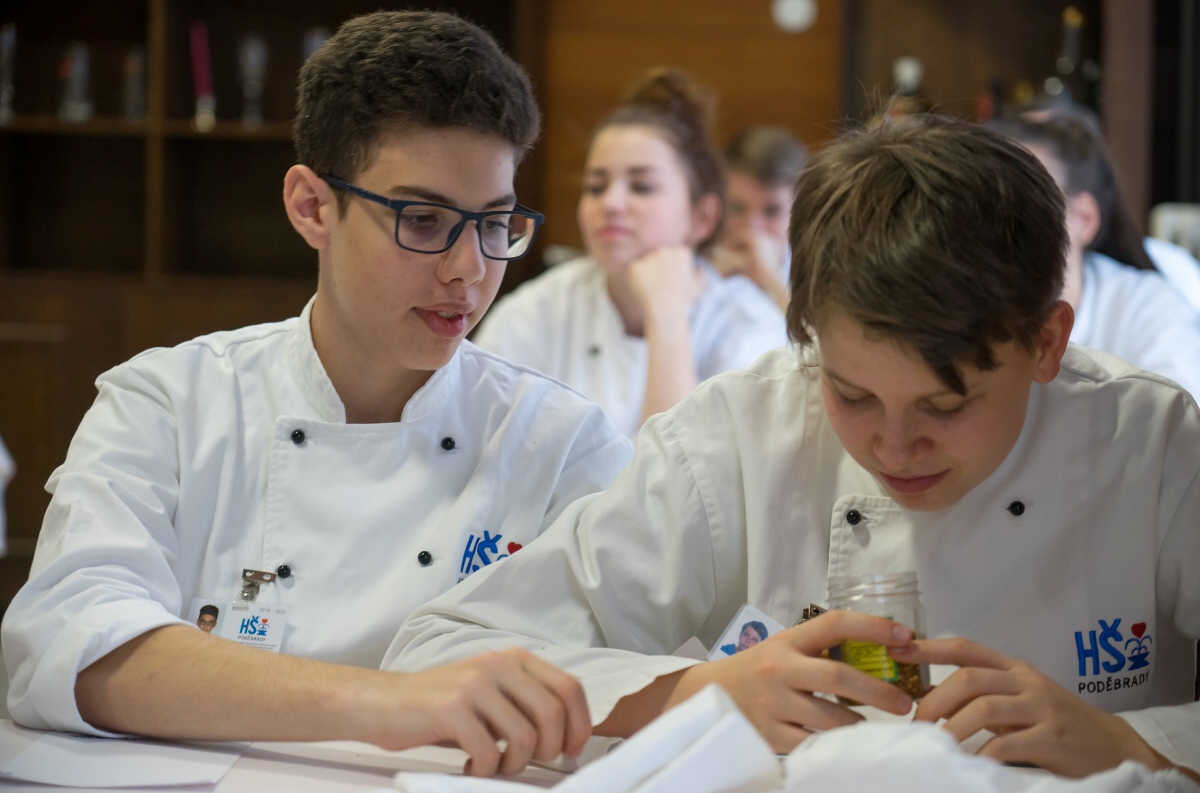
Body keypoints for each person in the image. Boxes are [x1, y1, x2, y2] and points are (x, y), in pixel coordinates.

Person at [388, 114, 1200, 780]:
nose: (894, 446)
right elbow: (442, 650)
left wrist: (1133, 742)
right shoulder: (741, 434)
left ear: (1047, 343)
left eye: (946, 405)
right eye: (852, 395)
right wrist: (698, 691)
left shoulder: (1150, 445)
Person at [1, 10, 633, 778]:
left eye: (496, 224)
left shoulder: (563, 446)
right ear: (311, 207)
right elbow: (69, 646)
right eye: (423, 219)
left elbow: (625, 673)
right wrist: (390, 702)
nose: (469, 269)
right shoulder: (171, 402)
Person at [473, 68, 789, 438]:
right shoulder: (537, 310)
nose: (611, 203)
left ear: (701, 216)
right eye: (596, 187)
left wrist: (667, 314)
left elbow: (680, 471)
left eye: (641, 187)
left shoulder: (746, 321)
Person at [1000, 108, 1200, 400]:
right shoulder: (965, 308)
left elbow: (1183, 419)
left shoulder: (1147, 311)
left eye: (1021, 207)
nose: (997, 227)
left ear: (1084, 219)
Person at [709, 126, 807, 313]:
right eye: (737, 209)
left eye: (772, 211)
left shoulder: (823, 274)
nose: (752, 228)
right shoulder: (694, 269)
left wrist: (771, 279)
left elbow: (816, 333)